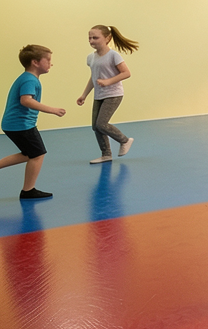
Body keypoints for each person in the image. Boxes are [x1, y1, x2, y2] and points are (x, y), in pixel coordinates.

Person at [2, 46, 67, 200]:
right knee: (38, 154)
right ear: (35, 62)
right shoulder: (29, 79)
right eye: (48, 60)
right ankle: (28, 190)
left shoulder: (27, 78)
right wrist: (52, 110)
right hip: (21, 125)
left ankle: (28, 190)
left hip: (15, 124)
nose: (51, 63)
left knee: (28, 154)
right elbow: (26, 100)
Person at [77, 25, 138, 164]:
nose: (91, 41)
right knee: (95, 126)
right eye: (89, 38)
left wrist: (108, 81)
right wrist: (84, 95)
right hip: (99, 95)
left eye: (95, 38)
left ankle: (125, 140)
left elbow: (126, 73)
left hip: (113, 94)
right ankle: (106, 154)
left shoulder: (113, 55)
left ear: (107, 38)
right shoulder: (91, 58)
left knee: (102, 124)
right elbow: (93, 78)